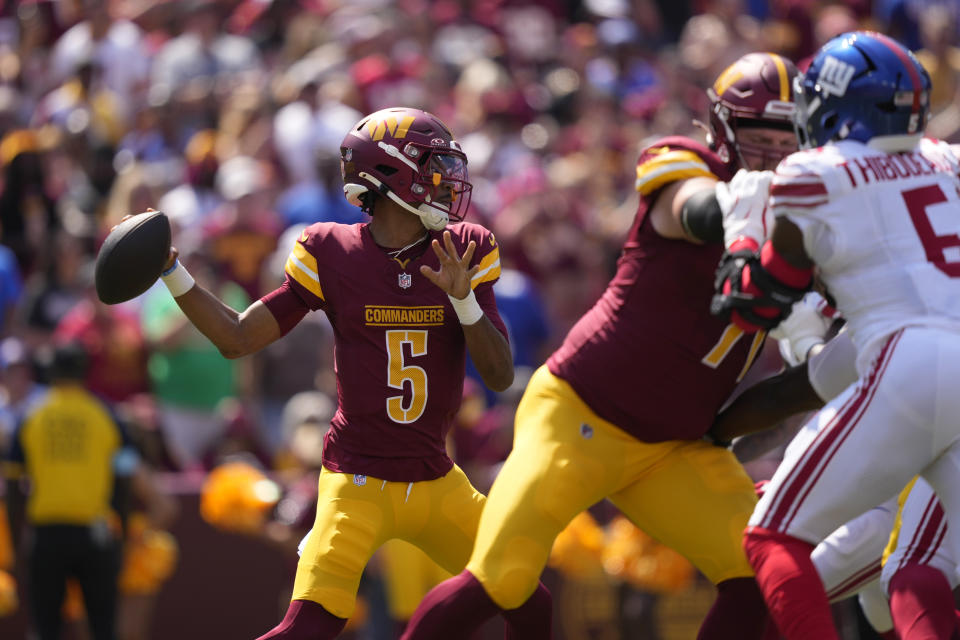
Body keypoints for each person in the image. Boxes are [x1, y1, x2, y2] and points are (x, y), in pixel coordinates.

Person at [401, 52, 800, 640]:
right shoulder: (690, 169)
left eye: (785, 137)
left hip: (675, 445)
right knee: (504, 576)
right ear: (722, 130)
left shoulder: (808, 223)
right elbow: (695, 212)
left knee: (758, 571)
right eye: (757, 136)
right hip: (581, 414)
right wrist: (777, 200)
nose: (773, 152)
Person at [139, 107, 552, 639]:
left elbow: (497, 377)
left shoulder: (463, 249)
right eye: (433, 165)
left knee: (528, 598)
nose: (448, 180)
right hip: (357, 481)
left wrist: (465, 301)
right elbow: (238, 337)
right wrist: (172, 271)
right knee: (307, 628)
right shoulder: (333, 252)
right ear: (391, 174)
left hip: (436, 478)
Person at [711, 31, 960, 640]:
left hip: (910, 364)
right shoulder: (946, 162)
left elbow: (754, 303)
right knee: (914, 577)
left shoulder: (813, 174)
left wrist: (744, 229)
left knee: (771, 537)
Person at [2, 342, 138, 640]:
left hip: (46, 536)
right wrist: (124, 535)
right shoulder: (107, 414)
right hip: (96, 536)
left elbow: (13, 487)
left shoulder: (31, 417)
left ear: (50, 371)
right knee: (103, 628)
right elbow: (125, 478)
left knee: (44, 629)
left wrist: (17, 542)